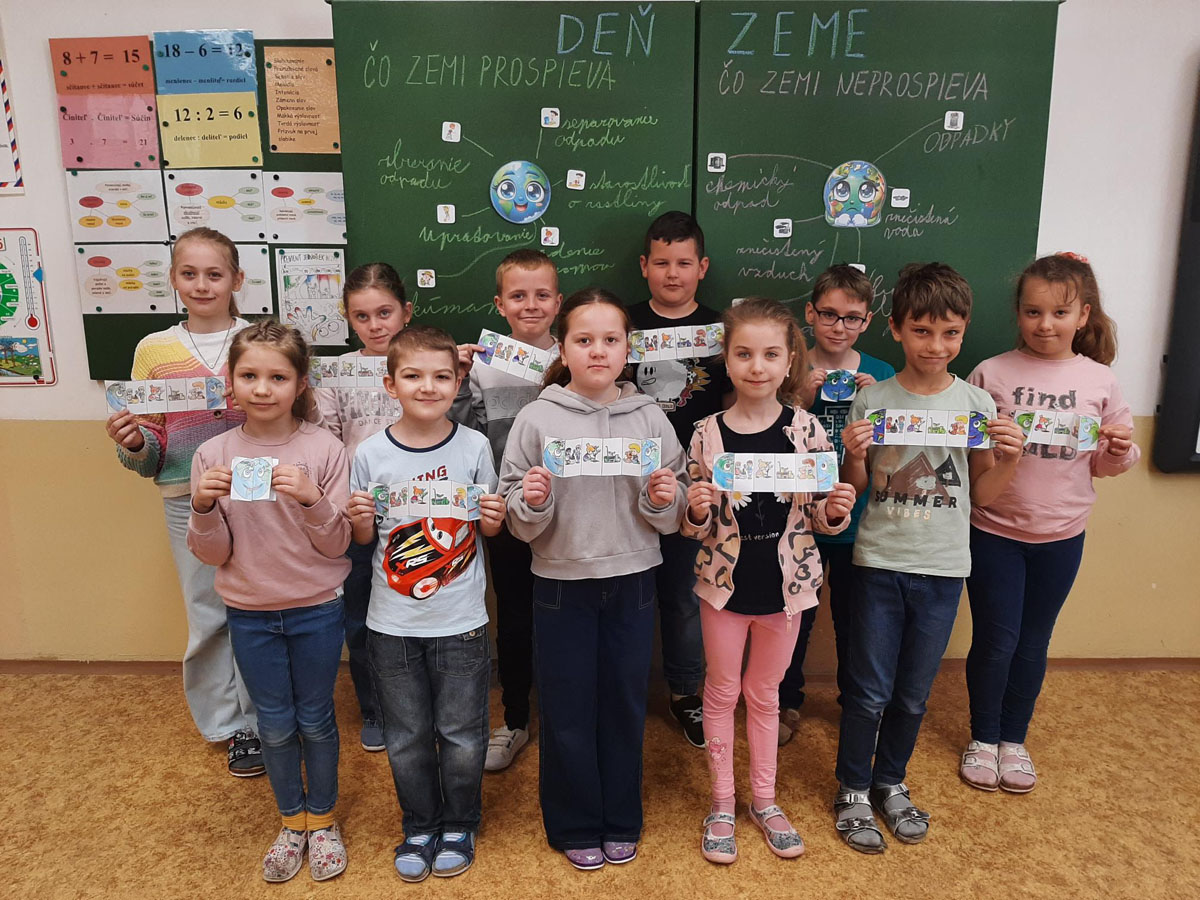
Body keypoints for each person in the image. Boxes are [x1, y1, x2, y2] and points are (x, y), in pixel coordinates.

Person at [833, 262, 1025, 853]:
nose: (935, 346)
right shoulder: (872, 398)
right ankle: (852, 789)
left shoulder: (976, 402)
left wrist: (1011, 459)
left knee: (914, 692)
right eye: (921, 331)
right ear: (895, 329)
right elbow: (854, 486)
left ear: (963, 332)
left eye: (950, 333)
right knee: (868, 690)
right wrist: (854, 456)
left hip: (943, 567)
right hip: (879, 561)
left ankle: (891, 780)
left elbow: (982, 497)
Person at [499, 288, 687, 870]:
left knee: (625, 702)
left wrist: (665, 498)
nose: (598, 351)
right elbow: (514, 514)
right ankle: (575, 821)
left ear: (628, 349)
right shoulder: (537, 418)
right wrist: (532, 501)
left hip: (633, 580)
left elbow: (676, 507)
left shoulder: (650, 417)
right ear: (563, 349)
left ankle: (621, 816)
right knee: (567, 704)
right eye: (584, 340)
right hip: (561, 583)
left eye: (610, 340)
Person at [682, 298, 856, 864]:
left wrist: (836, 509)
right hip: (723, 588)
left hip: (789, 588)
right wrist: (696, 508)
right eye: (743, 354)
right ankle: (721, 803)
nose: (757, 366)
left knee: (765, 695)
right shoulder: (706, 434)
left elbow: (821, 517)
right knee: (720, 691)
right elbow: (692, 525)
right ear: (727, 360)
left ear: (789, 362)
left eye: (770, 355)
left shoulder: (807, 430)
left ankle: (764, 799)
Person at [959, 253, 1139, 793]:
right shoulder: (991, 373)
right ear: (1018, 312)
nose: (1045, 325)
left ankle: (1014, 739)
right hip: (994, 530)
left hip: (1062, 536)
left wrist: (1119, 450)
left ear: (1083, 315)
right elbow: (970, 457)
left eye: (1060, 313)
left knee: (1034, 641)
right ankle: (983, 737)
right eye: (1033, 312)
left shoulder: (1100, 380)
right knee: (996, 639)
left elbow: (1105, 464)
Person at [187, 321, 352, 882]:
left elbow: (337, 543)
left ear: (300, 383)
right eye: (249, 376)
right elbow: (212, 554)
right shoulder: (213, 453)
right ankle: (291, 822)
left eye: (278, 377)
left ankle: (322, 820)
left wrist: (311, 498)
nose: (262, 389)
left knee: (316, 718)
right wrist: (202, 508)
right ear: (230, 382)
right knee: (274, 723)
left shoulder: (324, 449)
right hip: (250, 612)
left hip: (316, 608)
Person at [347, 325, 505, 883]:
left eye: (442, 376)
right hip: (391, 623)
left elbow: (489, 527)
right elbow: (364, 540)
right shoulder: (370, 453)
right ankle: (419, 824)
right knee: (407, 734)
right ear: (390, 385)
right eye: (413, 376)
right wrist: (360, 522)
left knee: (463, 733)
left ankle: (460, 822)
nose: (428, 387)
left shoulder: (475, 446)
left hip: (461, 621)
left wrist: (494, 519)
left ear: (458, 382)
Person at [103, 226, 261, 776]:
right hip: (187, 497)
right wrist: (133, 443)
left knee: (260, 609)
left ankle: (262, 720)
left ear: (237, 279)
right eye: (189, 274)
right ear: (173, 279)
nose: (202, 284)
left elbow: (289, 414)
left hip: (258, 495)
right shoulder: (154, 349)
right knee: (208, 611)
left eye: (214, 274)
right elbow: (149, 446)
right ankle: (228, 725)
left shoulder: (260, 338)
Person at [451, 248, 563, 771]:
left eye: (542, 295)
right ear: (500, 305)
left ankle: (563, 717)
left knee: (564, 615)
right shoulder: (484, 365)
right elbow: (465, 432)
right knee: (515, 615)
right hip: (506, 511)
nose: (531, 305)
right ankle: (516, 717)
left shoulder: (577, 355)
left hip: (568, 513)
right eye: (518, 296)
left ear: (558, 302)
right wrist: (457, 380)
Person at [779, 264, 896, 744]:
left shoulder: (883, 375)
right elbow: (766, 438)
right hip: (798, 516)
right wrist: (801, 400)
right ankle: (785, 701)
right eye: (828, 314)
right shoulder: (788, 367)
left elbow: (894, 452)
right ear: (810, 314)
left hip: (859, 521)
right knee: (795, 617)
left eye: (852, 318)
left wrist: (876, 402)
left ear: (867, 321)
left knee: (855, 620)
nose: (838, 326)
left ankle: (856, 702)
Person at [629, 210, 732, 747]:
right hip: (625, 479)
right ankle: (625, 689)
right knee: (628, 592)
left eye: (684, 263)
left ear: (703, 267)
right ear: (644, 265)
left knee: (684, 593)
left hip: (696, 482)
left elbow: (736, 400)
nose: (673, 273)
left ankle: (686, 692)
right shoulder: (621, 325)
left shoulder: (721, 332)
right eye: (662, 262)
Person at [313, 262, 412, 752]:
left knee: (416, 608)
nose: (375, 325)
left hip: (418, 511)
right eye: (362, 316)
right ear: (349, 319)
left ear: (406, 312)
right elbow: (327, 444)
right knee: (361, 615)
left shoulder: (427, 362)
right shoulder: (336, 374)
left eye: (385, 312)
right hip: (358, 517)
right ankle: (374, 708)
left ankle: (416, 704)